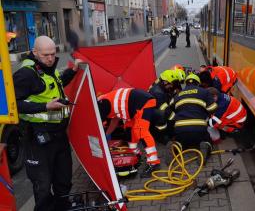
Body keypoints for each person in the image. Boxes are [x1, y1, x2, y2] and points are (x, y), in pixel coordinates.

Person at [13, 36, 83, 211]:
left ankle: (63, 207)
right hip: (38, 140)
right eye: (46, 55)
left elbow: (56, 84)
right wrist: (45, 106)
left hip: (59, 136)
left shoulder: (47, 68)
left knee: (63, 180)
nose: (51, 58)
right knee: (43, 187)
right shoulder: (26, 74)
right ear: (35, 52)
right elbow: (13, 103)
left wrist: (73, 71)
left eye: (53, 54)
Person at [97, 88, 167, 178]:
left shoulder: (101, 105)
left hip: (143, 102)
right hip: (133, 108)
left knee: (141, 132)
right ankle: (136, 156)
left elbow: (101, 123)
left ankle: (154, 163)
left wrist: (104, 135)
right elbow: (115, 119)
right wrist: (107, 134)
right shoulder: (104, 101)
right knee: (129, 131)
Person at [169, 74, 217, 162]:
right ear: (198, 83)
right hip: (199, 128)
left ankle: (176, 147)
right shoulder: (204, 92)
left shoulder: (177, 95)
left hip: (180, 129)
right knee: (207, 140)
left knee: (181, 141)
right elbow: (213, 108)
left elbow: (170, 107)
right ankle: (205, 146)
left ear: (186, 84)